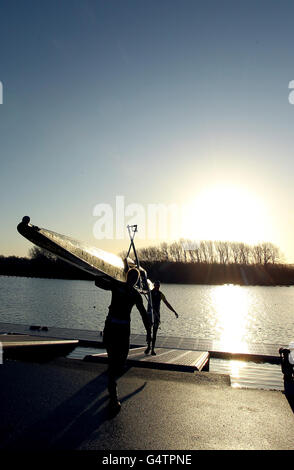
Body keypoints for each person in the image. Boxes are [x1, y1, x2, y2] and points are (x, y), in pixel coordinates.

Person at [95, 268, 151, 412]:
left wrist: (148, 332)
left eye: (135, 278)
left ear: (137, 281)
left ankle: (111, 387)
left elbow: (143, 314)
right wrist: (106, 274)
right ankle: (114, 397)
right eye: (130, 276)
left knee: (120, 363)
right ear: (127, 277)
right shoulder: (116, 285)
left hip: (124, 331)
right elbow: (98, 282)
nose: (132, 279)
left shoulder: (135, 295)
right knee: (113, 363)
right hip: (112, 327)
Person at [145, 280, 179, 356]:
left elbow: (167, 303)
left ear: (159, 286)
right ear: (154, 285)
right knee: (148, 331)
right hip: (150, 314)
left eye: (158, 285)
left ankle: (152, 349)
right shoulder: (149, 292)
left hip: (156, 315)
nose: (157, 286)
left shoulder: (161, 294)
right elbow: (142, 292)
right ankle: (148, 347)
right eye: (156, 285)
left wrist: (174, 311)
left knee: (154, 332)